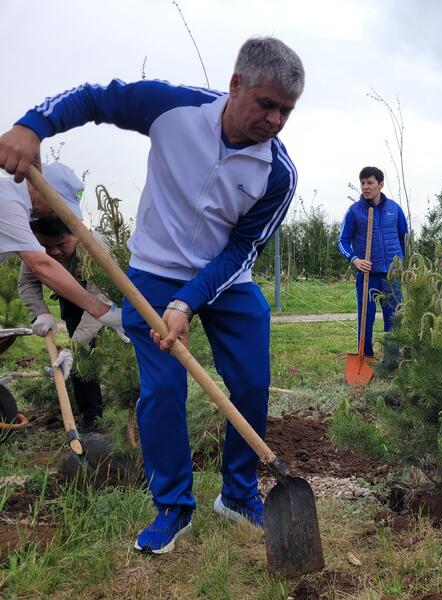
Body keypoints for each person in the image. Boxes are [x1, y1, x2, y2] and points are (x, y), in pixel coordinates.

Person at [0, 35, 305, 554]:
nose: (275, 121)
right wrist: (33, 125)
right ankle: (173, 507)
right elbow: (98, 97)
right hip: (153, 272)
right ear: (235, 86)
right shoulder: (174, 107)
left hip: (225, 278)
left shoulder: (277, 172)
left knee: (252, 382)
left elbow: (240, 250)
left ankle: (238, 493)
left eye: (287, 111)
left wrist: (187, 302)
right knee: (162, 392)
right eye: (267, 105)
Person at [0, 162, 127, 382]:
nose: (54, 213)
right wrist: (102, 311)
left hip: (91, 294)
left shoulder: (92, 246)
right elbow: (39, 266)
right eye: (56, 206)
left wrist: (75, 344)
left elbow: (101, 291)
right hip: (80, 298)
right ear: (39, 188)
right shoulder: (9, 202)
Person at [18, 193, 112, 432]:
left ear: (76, 234)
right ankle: (91, 418)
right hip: (71, 298)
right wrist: (40, 312)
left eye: (60, 244)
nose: (54, 252)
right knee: (82, 359)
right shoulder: (34, 248)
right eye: (47, 247)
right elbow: (28, 282)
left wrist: (74, 345)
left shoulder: (95, 247)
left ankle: (133, 401)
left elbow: (100, 301)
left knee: (89, 348)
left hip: (109, 298)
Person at [338, 166, 408, 360]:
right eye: (362, 183)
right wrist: (356, 260)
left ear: (380, 184)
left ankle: (391, 359)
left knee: (393, 317)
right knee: (366, 318)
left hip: (392, 274)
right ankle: (365, 356)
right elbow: (342, 241)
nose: (365, 187)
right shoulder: (354, 211)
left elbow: (405, 239)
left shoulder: (394, 209)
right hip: (367, 274)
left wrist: (405, 265)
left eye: (370, 183)